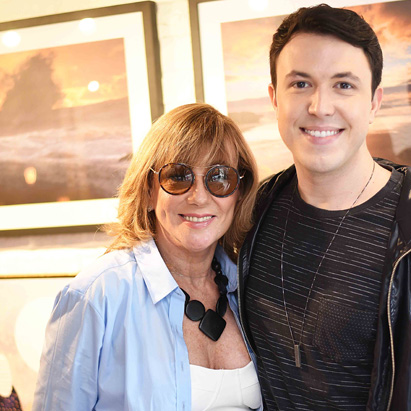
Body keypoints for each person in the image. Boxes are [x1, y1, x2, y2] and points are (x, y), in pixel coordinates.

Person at [238, 4, 411, 410]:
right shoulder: (253, 212)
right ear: (274, 98)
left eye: (344, 85)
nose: (320, 106)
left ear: (374, 102)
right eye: (300, 83)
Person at [33, 103, 262, 410]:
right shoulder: (95, 296)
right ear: (149, 192)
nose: (199, 197)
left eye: (219, 177)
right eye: (178, 176)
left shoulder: (250, 291)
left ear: (239, 192)